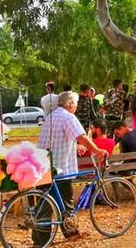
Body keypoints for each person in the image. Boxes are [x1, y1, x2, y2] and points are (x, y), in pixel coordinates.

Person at [38, 91, 109, 237]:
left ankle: (40, 239)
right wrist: (96, 150)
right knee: (66, 202)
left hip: (44, 164)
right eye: (75, 104)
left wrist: (76, 146)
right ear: (70, 104)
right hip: (60, 167)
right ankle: (72, 233)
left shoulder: (51, 116)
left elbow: (57, 139)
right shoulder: (68, 117)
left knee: (44, 205)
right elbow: (81, 136)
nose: (76, 107)